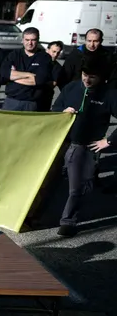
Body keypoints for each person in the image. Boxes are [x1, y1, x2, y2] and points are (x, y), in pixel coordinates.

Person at [51, 57, 117, 237]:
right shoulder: (71, 87)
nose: (87, 80)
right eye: (84, 75)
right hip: (62, 143)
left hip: (86, 147)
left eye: (92, 77)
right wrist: (62, 112)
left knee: (77, 187)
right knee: (51, 184)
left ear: (102, 78)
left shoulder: (109, 94)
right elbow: (54, 109)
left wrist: (109, 141)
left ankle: (68, 221)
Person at [1, 27, 52, 111]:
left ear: (38, 40)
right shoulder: (13, 55)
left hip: (32, 103)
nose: (30, 43)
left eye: (33, 40)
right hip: (11, 101)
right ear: (23, 40)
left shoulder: (44, 57)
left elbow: (39, 80)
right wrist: (29, 75)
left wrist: (14, 77)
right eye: (27, 40)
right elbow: (5, 74)